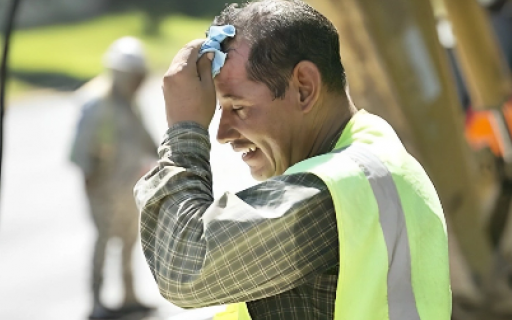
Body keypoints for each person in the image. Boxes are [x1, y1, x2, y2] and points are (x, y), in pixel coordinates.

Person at [134, 1, 452, 319]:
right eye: (220, 110)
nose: (223, 133)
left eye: (238, 107)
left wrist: (184, 131)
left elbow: (184, 269)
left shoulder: (337, 187)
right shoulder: (372, 155)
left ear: (303, 88)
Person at [70, 36, 157, 319]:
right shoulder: (98, 105)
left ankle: (129, 296)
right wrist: (92, 183)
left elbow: (144, 137)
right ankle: (96, 302)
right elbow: (81, 150)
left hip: (129, 187)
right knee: (103, 242)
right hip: (104, 189)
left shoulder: (128, 103)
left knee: (130, 241)